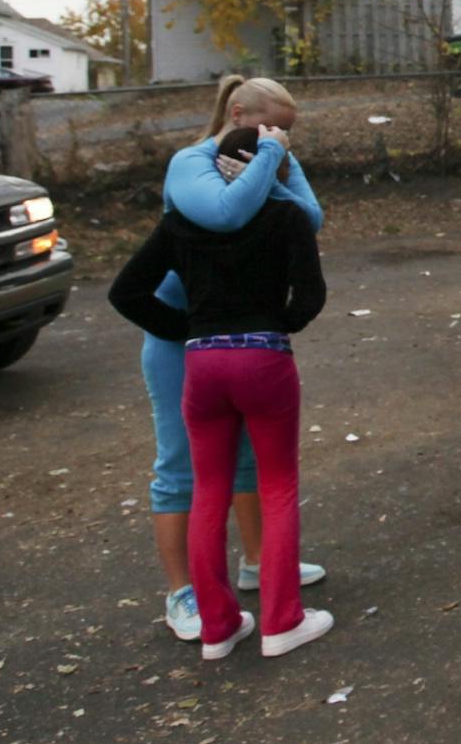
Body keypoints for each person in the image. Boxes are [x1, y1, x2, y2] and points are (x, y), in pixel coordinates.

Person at [110, 124, 332, 658]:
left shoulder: (182, 220)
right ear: (273, 170)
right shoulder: (286, 217)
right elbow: (312, 295)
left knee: (208, 488)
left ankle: (218, 627)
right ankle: (282, 621)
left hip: (202, 363)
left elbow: (125, 291)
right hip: (262, 356)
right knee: (276, 485)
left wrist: (184, 327)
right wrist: (278, 323)